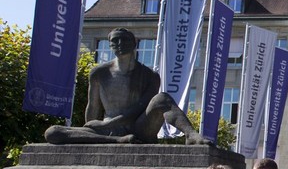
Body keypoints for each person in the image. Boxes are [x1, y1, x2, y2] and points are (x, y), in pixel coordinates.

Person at [45, 28, 208, 145]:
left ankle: (191, 135)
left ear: (134, 44)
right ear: (110, 45)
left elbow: (139, 109)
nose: (119, 43)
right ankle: (115, 141)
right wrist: (92, 128)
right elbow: (93, 107)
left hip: (138, 127)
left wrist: (106, 124)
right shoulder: (99, 73)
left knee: (162, 99)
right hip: (107, 131)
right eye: (115, 40)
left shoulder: (150, 76)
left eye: (124, 39)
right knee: (52, 132)